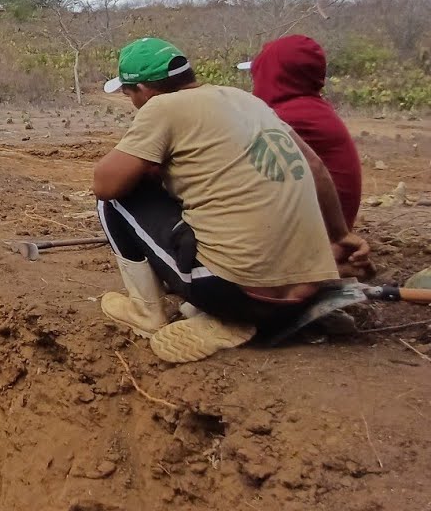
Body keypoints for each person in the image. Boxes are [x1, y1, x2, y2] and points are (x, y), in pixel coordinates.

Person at [94, 38, 370, 363]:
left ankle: (146, 312)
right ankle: (273, 312)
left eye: (129, 94)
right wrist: (340, 235)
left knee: (116, 200)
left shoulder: (162, 107)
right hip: (310, 287)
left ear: (142, 88)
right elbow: (314, 167)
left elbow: (104, 183)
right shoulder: (247, 100)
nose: (132, 101)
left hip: (240, 295)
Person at [248, 35, 362, 229]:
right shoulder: (311, 109)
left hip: (319, 238)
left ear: (274, 74)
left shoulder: (290, 117)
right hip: (323, 227)